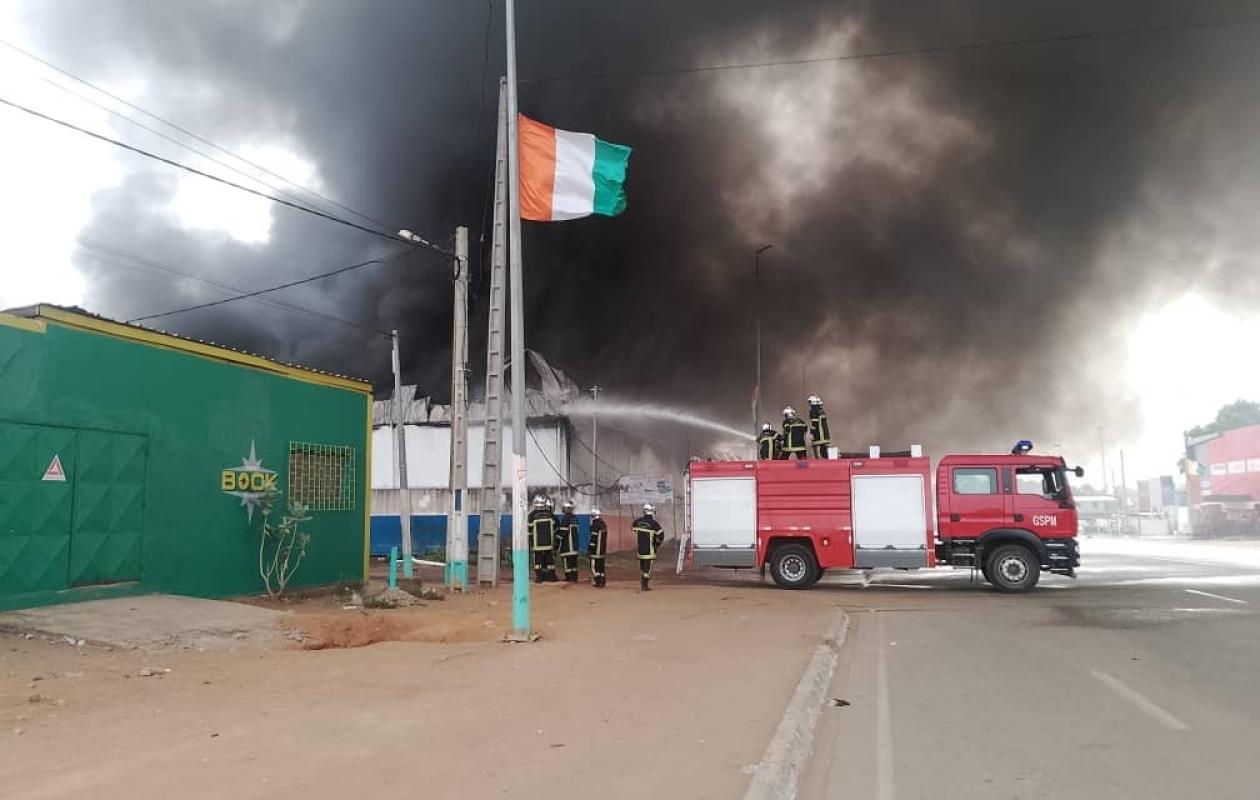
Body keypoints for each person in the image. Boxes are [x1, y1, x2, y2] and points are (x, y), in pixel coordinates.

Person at [633, 503, 666, 592]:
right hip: (650, 550)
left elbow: (634, 526)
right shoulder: (654, 524)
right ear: (652, 511)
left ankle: (643, 583)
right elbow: (661, 535)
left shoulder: (638, 522)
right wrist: (657, 545)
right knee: (647, 569)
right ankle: (645, 585)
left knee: (642, 567)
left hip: (640, 550)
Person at [528, 495, 557, 582]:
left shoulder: (532, 515)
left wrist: (530, 542)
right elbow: (555, 528)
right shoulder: (549, 514)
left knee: (538, 562)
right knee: (549, 561)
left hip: (537, 545)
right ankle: (551, 577)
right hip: (549, 544)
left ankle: (540, 578)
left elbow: (529, 530)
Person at [556, 500, 580, 582]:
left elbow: (563, 532)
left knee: (567, 563)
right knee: (574, 563)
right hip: (575, 547)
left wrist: (557, 538)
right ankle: (574, 578)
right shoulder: (575, 518)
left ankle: (569, 578)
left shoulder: (565, 519)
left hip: (567, 547)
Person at [587, 507, 608, 587]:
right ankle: (602, 581)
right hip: (602, 550)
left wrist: (590, 549)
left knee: (594, 567)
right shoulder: (603, 524)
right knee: (601, 567)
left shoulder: (594, 525)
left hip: (595, 551)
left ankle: (597, 581)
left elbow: (593, 538)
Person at [807, 394, 831, 458]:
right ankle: (826, 460)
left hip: (819, 434)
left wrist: (812, 433)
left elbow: (814, 423)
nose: (809, 404)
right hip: (824, 434)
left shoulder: (813, 410)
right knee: (823, 449)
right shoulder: (821, 410)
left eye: (810, 402)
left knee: (815, 447)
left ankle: (817, 460)